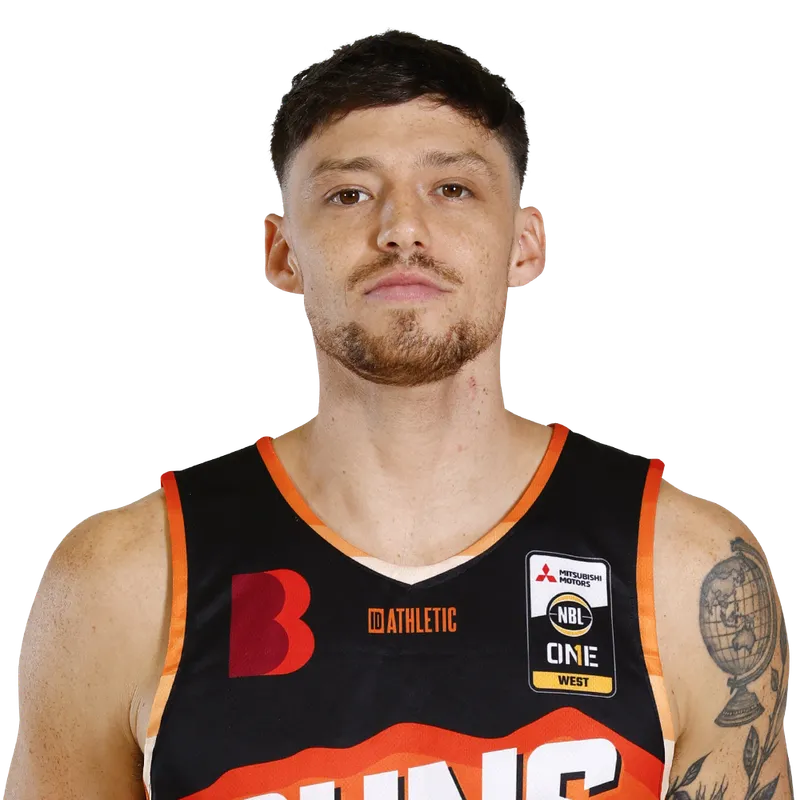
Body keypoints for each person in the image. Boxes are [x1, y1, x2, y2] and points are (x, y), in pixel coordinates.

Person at [7, 29, 791, 800]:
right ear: (279, 253)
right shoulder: (123, 582)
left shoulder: (685, 566)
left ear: (526, 245)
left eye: (452, 189)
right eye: (349, 194)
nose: (402, 229)